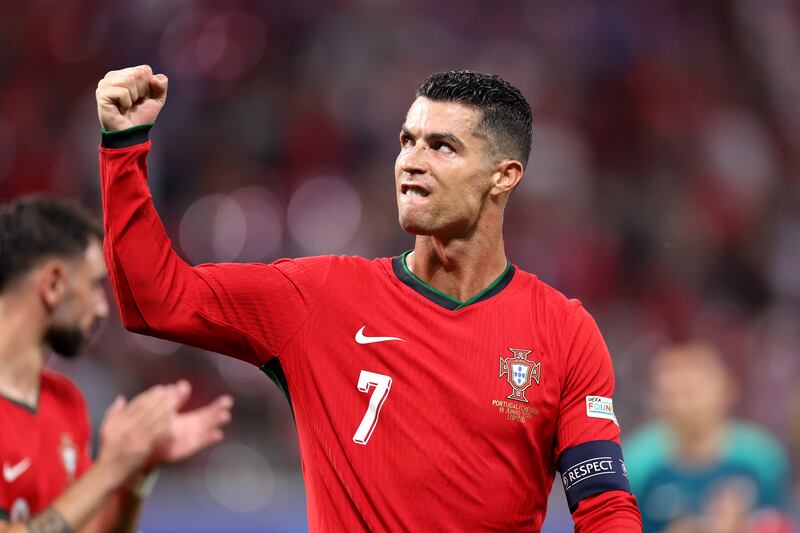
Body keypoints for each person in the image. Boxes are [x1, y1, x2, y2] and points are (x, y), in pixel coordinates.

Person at [95, 64, 642, 531]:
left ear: (504, 176)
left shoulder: (564, 332)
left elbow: (603, 505)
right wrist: (123, 147)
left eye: (441, 146)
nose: (411, 161)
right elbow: (156, 300)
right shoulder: (321, 298)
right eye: (407, 141)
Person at [0, 195, 234, 533]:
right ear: (52, 284)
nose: (101, 309)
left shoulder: (65, 403)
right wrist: (109, 468)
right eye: (95, 285)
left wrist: (135, 471)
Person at [625, 341, 793, 533]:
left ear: (727, 389)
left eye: (690, 392)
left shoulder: (762, 458)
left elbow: (781, 522)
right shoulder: (635, 463)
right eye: (669, 393)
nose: (679, 404)